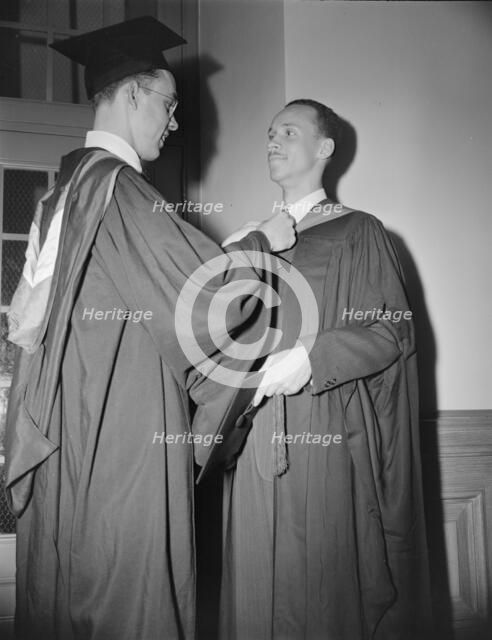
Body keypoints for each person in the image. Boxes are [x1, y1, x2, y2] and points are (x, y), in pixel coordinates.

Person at [4, 17, 295, 640]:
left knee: (67, 591)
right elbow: (204, 301)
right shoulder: (118, 190)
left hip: (64, 433)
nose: (175, 120)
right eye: (168, 103)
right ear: (133, 94)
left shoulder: (60, 194)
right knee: (127, 596)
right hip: (117, 434)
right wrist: (262, 244)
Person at [219, 99, 432, 639]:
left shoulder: (358, 232)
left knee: (320, 591)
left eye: (288, 131)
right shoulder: (248, 238)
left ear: (324, 149)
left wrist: (313, 358)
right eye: (269, 132)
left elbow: (392, 329)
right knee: (252, 591)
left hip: (323, 430)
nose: (273, 139)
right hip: (249, 442)